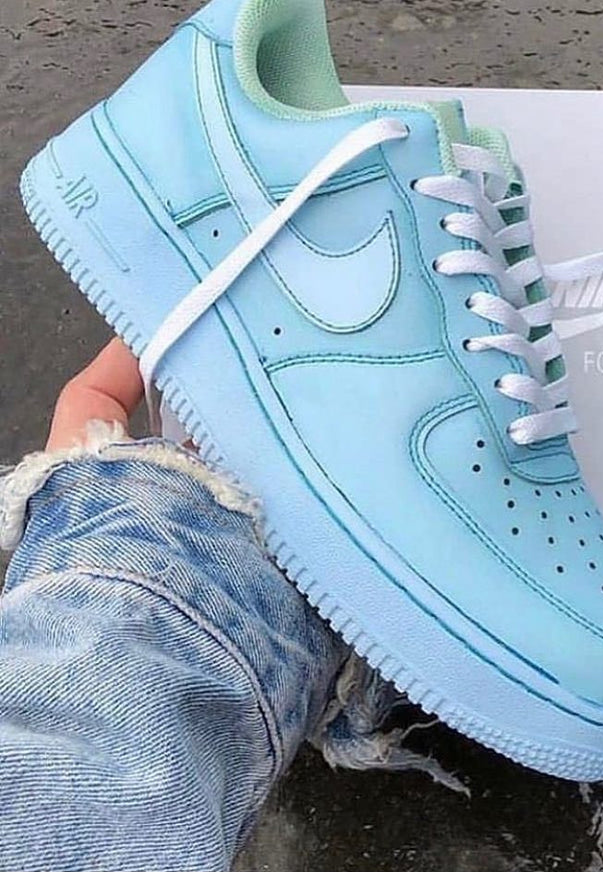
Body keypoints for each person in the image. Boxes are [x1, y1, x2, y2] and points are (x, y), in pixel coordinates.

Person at [0, 338, 458, 872]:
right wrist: (160, 329)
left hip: (219, 627)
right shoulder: (94, 484)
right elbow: (98, 390)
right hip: (113, 553)